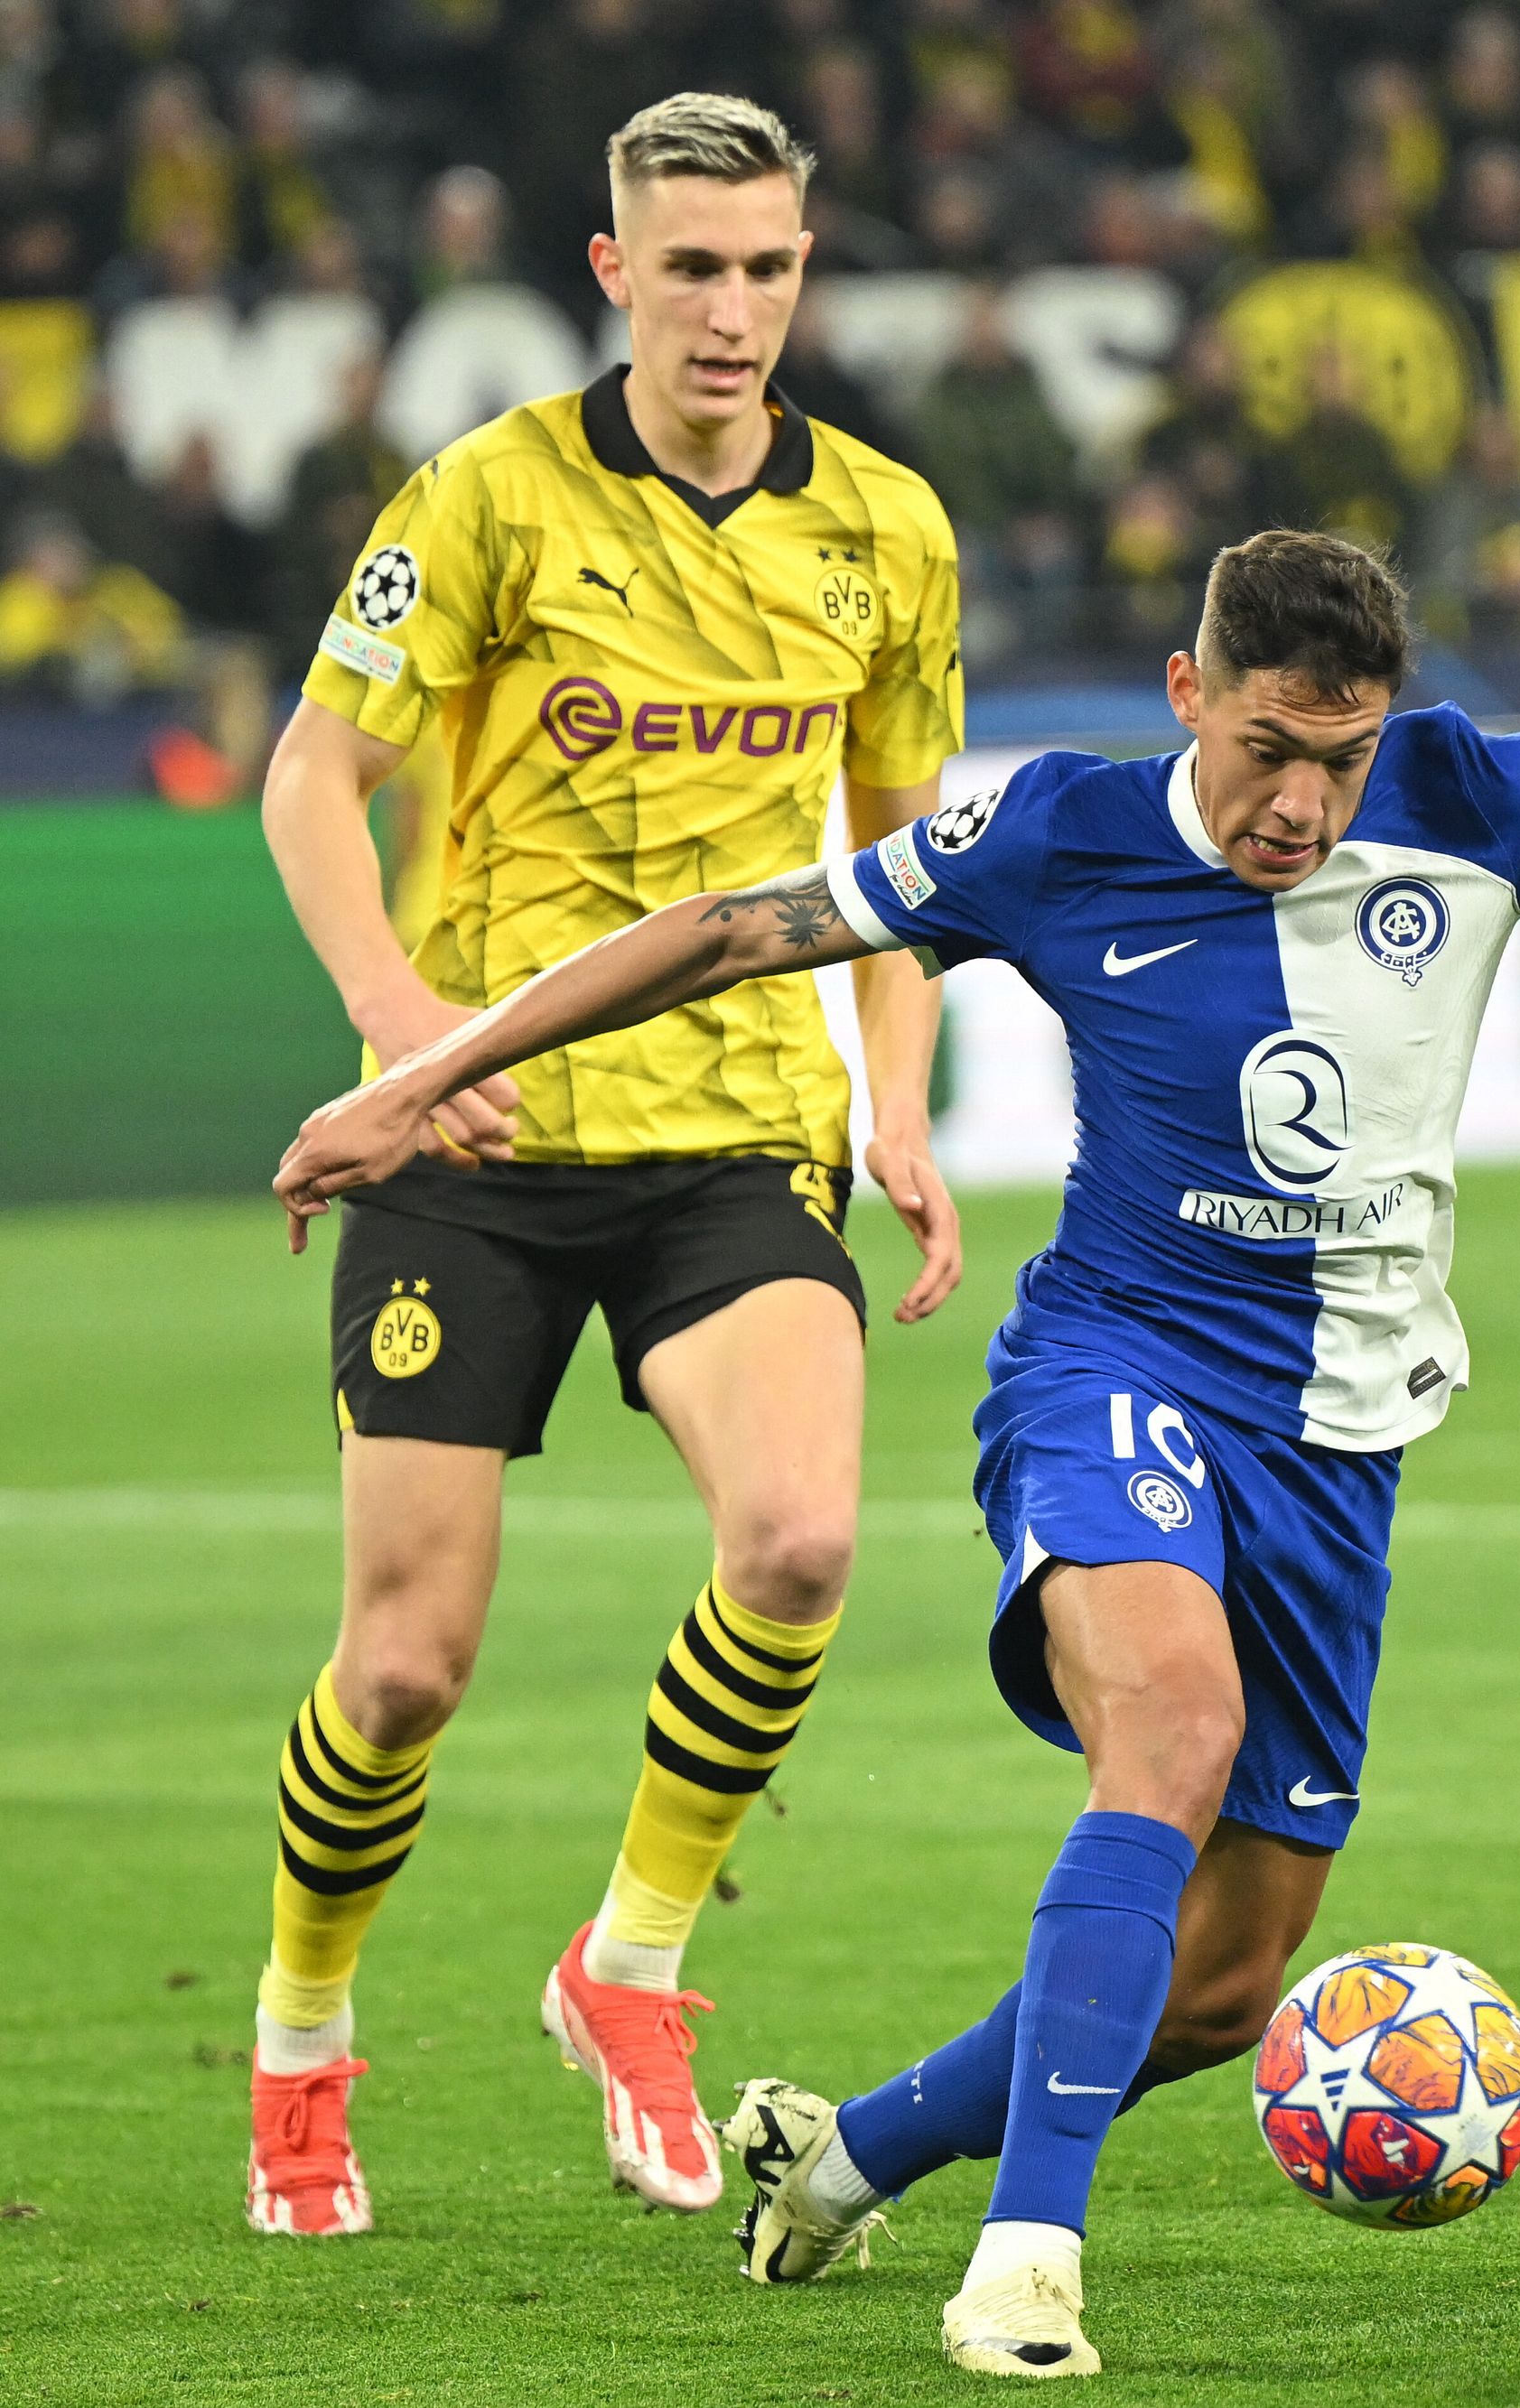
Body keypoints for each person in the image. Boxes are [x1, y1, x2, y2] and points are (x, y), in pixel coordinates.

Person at [271, 530, 1520, 2376]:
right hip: (1112, 1365)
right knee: (1171, 1733)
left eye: (1339, 758)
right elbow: (728, 931)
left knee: (1216, 1987)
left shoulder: (1481, 795)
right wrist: (420, 1077)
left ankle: (850, 2154)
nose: (1301, 800)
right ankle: (1027, 2261)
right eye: (1267, 745)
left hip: (1343, 1438)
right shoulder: (1052, 833)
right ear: (1190, 689)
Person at [245, 94, 967, 2240]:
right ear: (614, 273)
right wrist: (403, 1032)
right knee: (403, 1668)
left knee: (801, 1540)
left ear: (804, 271)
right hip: (475, 1137)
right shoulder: (485, 499)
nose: (732, 311)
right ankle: (301, 2033)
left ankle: (628, 1961)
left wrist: (901, 1096)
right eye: (693, 269)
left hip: (738, 1132)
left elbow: (905, 863)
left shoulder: (890, 533)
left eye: (768, 268)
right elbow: (311, 778)